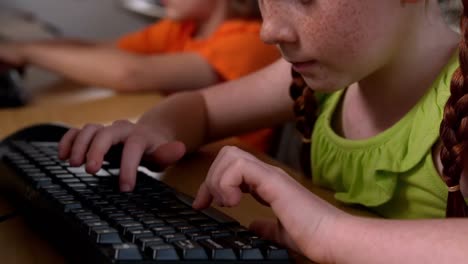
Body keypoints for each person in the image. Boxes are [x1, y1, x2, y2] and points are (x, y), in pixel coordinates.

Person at [57, 0, 468, 263]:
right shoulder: (321, 77)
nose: (268, 30)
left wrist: (329, 233)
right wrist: (155, 130)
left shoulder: (460, 102)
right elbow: (201, 108)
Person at [0, 0, 279, 93]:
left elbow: (132, 73)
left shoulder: (250, 40)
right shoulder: (183, 28)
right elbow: (104, 49)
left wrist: (28, 53)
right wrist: (23, 45)